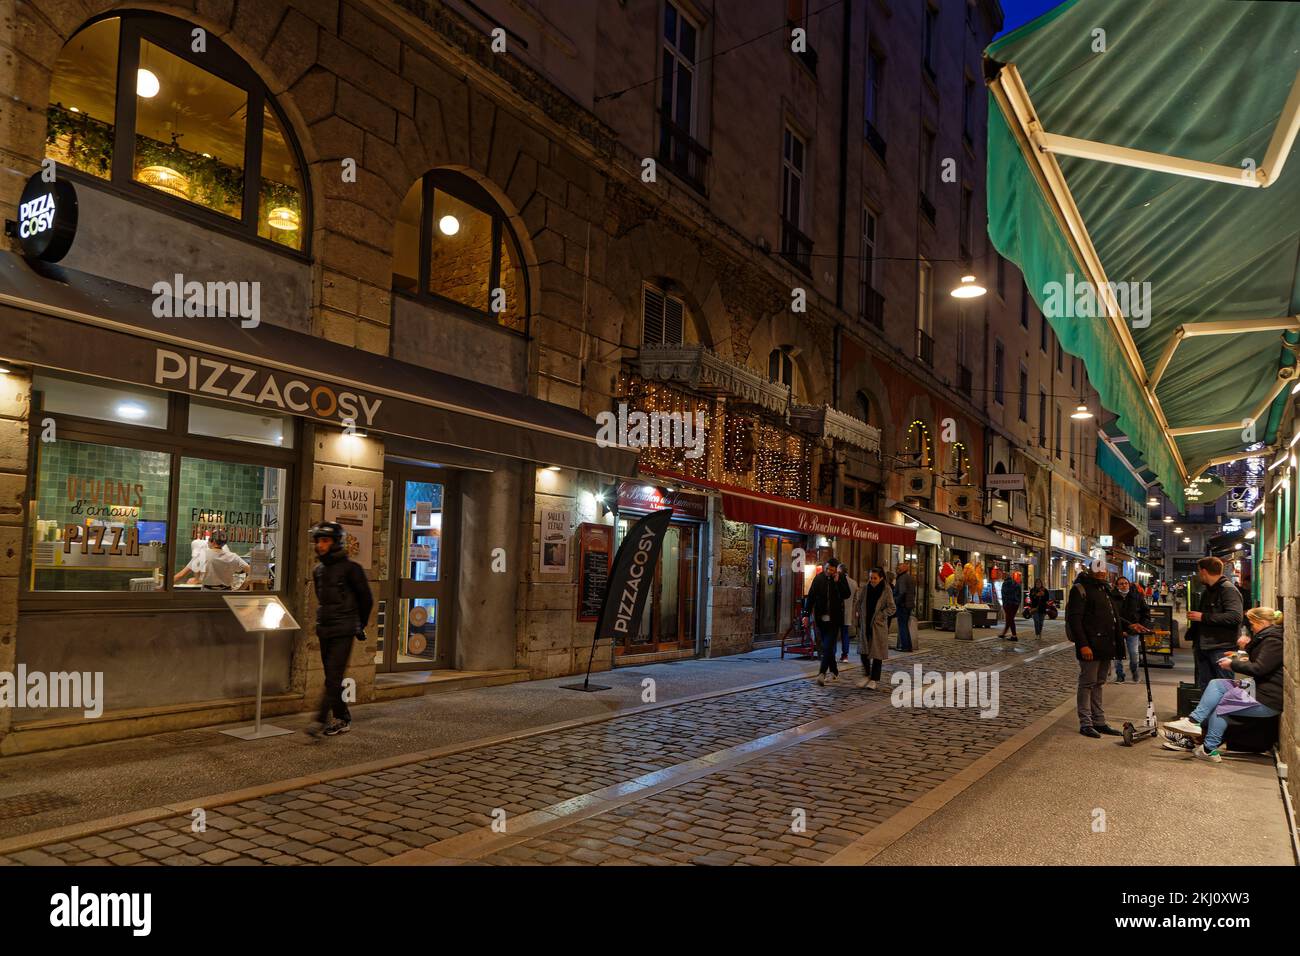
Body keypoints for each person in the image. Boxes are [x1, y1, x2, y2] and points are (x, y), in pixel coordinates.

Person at [1164, 606, 1284, 762]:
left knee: (1222, 705)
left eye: (1252, 624)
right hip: (1259, 689)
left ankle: (1209, 749)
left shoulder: (1273, 640)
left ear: (1261, 622)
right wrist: (1244, 648)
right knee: (1217, 684)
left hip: (1267, 698)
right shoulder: (1267, 637)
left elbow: (1260, 668)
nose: (1251, 628)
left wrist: (1232, 665)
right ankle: (1193, 721)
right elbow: (1261, 660)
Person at [308, 521, 373, 738]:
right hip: (325, 628)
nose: (320, 545)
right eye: (318, 541)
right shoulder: (318, 571)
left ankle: (319, 719)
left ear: (336, 543)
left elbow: (366, 599)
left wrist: (359, 624)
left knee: (334, 677)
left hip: (344, 628)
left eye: (325, 540)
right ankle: (342, 717)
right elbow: (321, 599)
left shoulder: (352, 570)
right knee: (331, 677)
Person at [1065, 556, 1124, 738]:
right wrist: (1083, 645)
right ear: (1091, 570)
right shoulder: (1080, 589)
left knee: (1099, 683)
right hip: (1090, 645)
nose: (1101, 572)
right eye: (1098, 569)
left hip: (1106, 645)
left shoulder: (1105, 589)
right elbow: (1075, 620)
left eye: (1103, 569)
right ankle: (1086, 723)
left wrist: (1130, 626)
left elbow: (1112, 615)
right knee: (1087, 683)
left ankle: (1099, 721)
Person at [1186, 556, 1243, 689]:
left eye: (1199, 570)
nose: (1198, 574)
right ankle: (1211, 710)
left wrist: (1203, 617)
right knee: (1206, 687)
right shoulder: (1209, 590)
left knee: (1224, 688)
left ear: (1204, 571)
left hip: (1221, 649)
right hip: (1205, 647)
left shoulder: (1228, 589)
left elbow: (1235, 617)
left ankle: (1223, 711)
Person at [805, 558, 851, 686]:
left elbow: (846, 594)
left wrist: (837, 583)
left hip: (835, 619)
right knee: (827, 646)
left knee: (827, 646)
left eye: (831, 570)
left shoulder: (840, 578)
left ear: (836, 570)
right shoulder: (818, 578)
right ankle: (834, 671)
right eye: (827, 569)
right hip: (821, 618)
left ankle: (821, 674)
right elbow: (811, 597)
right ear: (824, 567)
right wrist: (806, 615)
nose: (828, 571)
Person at [854, 567, 895, 689]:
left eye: (875, 578)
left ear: (881, 578)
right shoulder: (865, 588)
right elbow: (859, 601)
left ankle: (874, 679)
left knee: (877, 654)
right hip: (865, 623)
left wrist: (881, 615)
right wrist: (857, 612)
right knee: (863, 652)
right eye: (871, 578)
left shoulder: (886, 590)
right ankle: (867, 674)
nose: (872, 580)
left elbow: (892, 608)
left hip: (878, 626)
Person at [173, 530, 248, 589]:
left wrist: (165, 587)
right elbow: (252, 573)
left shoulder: (202, 555)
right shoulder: (233, 557)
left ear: (213, 542)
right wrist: (242, 588)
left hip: (207, 593)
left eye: (209, 539)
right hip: (226, 593)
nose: (207, 542)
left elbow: (180, 575)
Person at [1111, 576, 1151, 683]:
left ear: (1129, 584)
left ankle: (1135, 672)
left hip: (1133, 631)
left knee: (1134, 654)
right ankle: (1120, 675)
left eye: (1125, 583)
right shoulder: (1112, 597)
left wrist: (1141, 625)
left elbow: (1146, 612)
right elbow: (1111, 614)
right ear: (1117, 585)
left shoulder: (1136, 596)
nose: (1124, 585)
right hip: (1117, 630)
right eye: (1121, 583)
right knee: (1117, 655)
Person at [893, 560, 916, 652]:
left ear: (903, 570)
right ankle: (908, 646)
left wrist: (896, 601)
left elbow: (902, 592)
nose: (897, 570)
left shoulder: (902, 578)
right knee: (905, 626)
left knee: (902, 626)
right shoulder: (910, 577)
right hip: (908, 604)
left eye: (898, 568)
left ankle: (905, 646)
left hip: (903, 605)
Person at [840, 569, 859, 662]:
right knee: (845, 634)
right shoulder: (854, 583)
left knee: (833, 634)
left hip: (836, 612)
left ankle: (831, 654)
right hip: (848, 612)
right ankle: (845, 655)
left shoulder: (836, 580)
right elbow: (856, 599)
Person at [999, 570, 1023, 640]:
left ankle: (1014, 635)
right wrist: (1018, 602)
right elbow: (1020, 594)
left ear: (1005, 576)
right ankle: (1004, 633)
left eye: (1003, 576)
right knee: (1009, 619)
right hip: (1015, 604)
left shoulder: (1005, 583)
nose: (1002, 577)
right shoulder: (1016, 583)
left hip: (1008, 604)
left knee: (1010, 619)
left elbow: (1004, 594)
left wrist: (1004, 604)